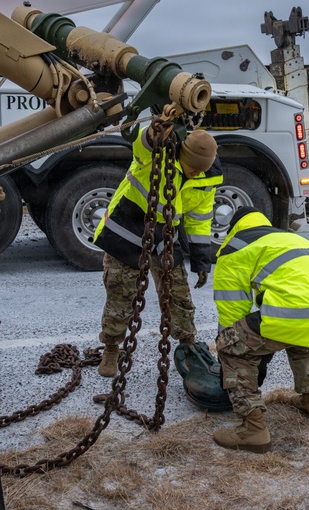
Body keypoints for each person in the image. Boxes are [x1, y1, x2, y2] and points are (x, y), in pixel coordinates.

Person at [211, 206, 309, 453]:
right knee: (301, 334)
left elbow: (232, 313)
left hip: (297, 308)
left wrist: (235, 352)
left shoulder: (234, 248)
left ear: (233, 227)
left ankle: (253, 430)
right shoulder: (288, 238)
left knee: (230, 344)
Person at [94, 125, 222, 377]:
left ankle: (188, 342)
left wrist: (201, 261)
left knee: (178, 294)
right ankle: (111, 347)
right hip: (128, 225)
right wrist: (154, 133)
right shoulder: (154, 156)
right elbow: (140, 144)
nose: (196, 174)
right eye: (193, 168)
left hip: (165, 234)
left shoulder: (207, 179)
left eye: (201, 170)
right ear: (182, 155)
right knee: (121, 293)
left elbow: (199, 219)